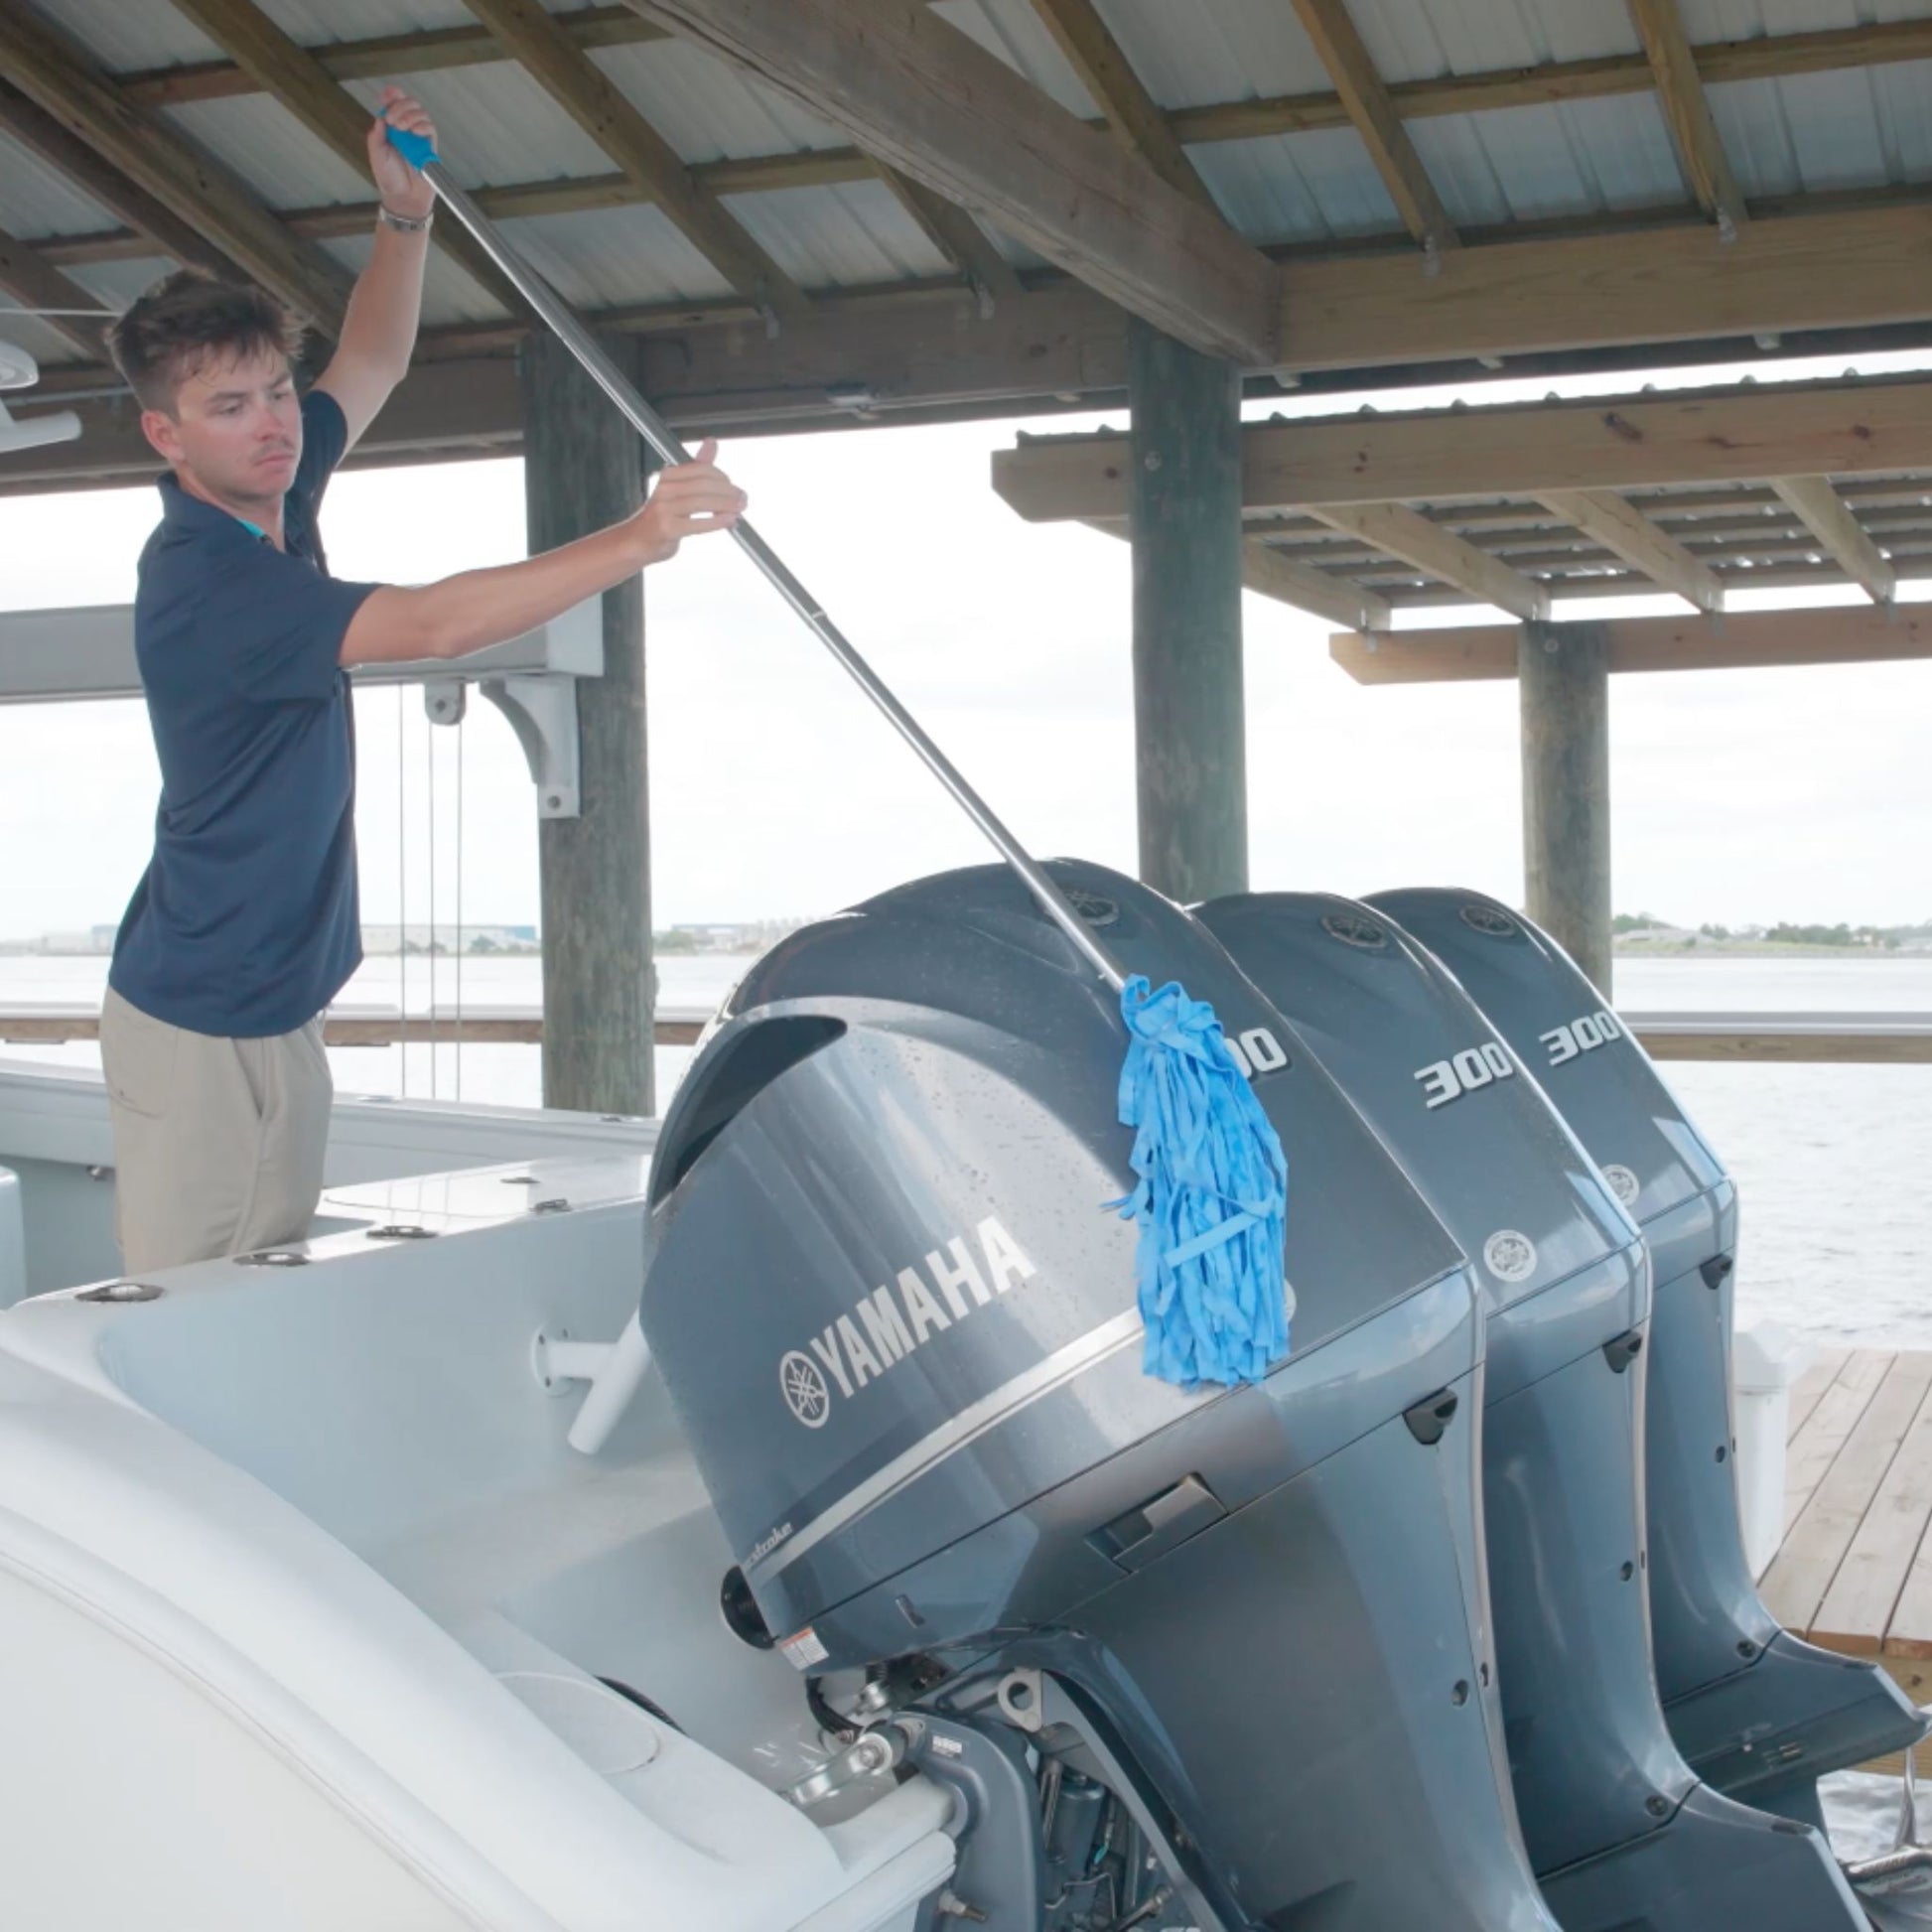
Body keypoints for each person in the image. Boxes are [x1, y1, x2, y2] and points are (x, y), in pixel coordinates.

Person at [98, 88, 745, 1275]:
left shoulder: (274, 501)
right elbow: (439, 625)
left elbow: (374, 360)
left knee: (264, 1289)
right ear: (166, 435)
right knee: (189, 1314)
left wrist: (404, 220)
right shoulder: (208, 582)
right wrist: (637, 538)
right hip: (195, 1017)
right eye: (228, 408)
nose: (274, 424)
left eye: (274, 394)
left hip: (272, 1000)